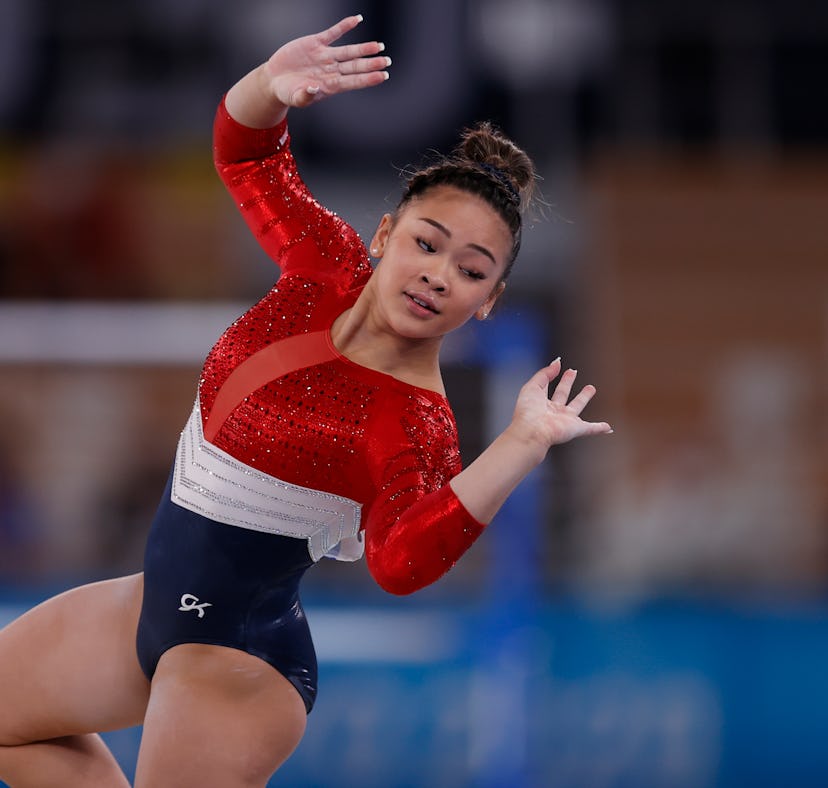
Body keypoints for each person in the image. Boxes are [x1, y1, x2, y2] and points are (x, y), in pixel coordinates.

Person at [0, 14, 612, 788]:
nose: (436, 275)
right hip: (145, 613)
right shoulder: (323, 261)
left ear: (488, 301)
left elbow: (398, 564)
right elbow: (246, 155)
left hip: (241, 663)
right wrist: (268, 87)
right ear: (386, 234)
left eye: (470, 269)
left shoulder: (414, 421)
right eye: (427, 243)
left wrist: (522, 443)